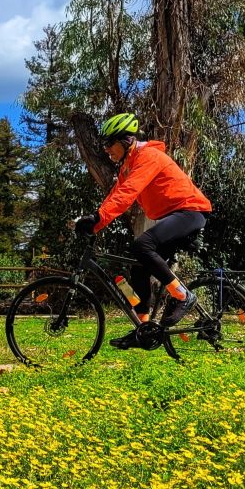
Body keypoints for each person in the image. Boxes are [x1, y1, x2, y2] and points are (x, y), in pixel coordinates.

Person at [74, 113, 212, 350]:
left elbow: (127, 193)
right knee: (138, 264)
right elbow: (114, 196)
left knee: (141, 246)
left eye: (109, 143)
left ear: (126, 141)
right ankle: (143, 329)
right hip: (172, 215)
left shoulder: (148, 157)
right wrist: (93, 223)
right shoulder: (128, 166)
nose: (106, 149)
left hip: (191, 211)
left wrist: (98, 218)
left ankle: (183, 296)